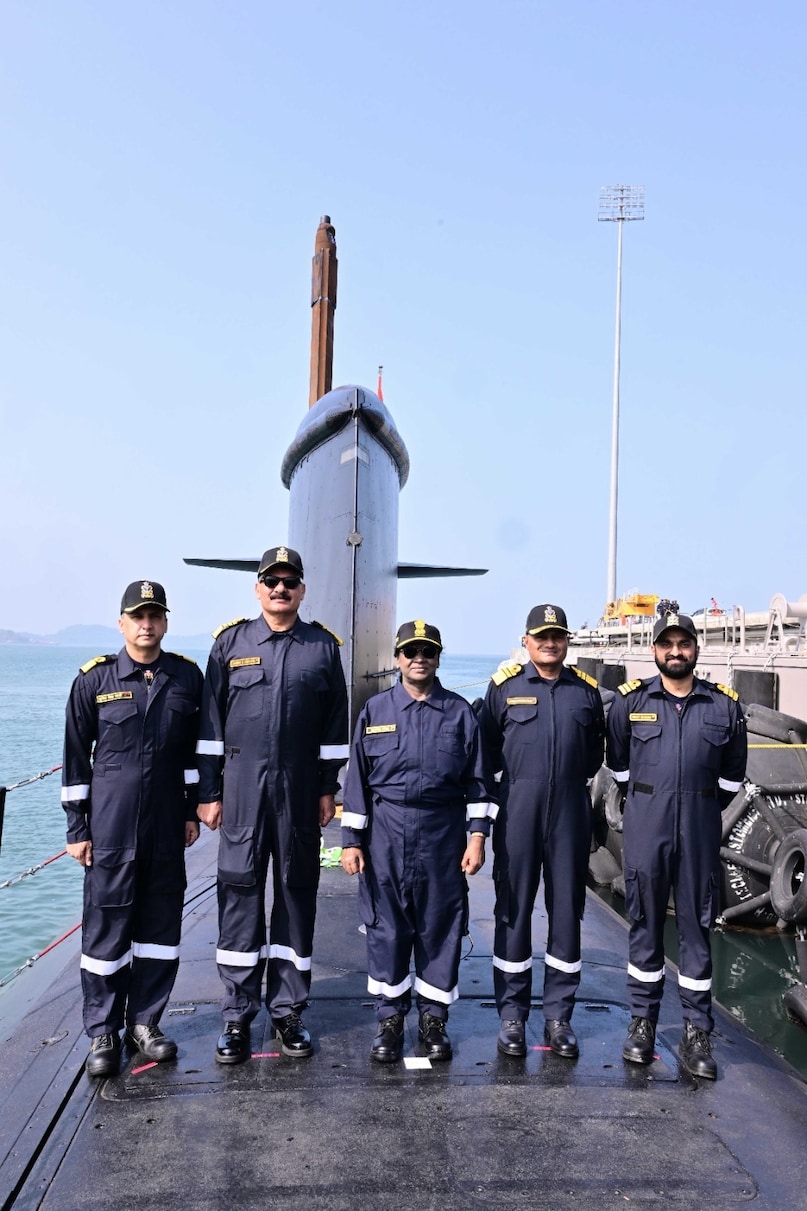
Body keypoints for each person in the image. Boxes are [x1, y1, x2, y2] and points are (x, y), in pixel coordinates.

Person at [196, 546, 349, 1064]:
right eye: (271, 581)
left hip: (300, 789)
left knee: (295, 892)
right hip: (240, 788)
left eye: (289, 581)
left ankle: (287, 1011)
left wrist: (328, 788)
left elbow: (334, 728)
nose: (279, 589)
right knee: (238, 895)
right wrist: (209, 792)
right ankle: (237, 1016)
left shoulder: (322, 648)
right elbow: (210, 727)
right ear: (257, 588)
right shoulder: (229, 644)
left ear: (301, 590)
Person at [61, 580, 203, 1078]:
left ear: (165, 622)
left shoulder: (186, 679)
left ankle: (146, 1023)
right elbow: (76, 761)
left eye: (155, 616)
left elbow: (192, 757)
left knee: (160, 929)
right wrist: (77, 828)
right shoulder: (94, 682)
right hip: (111, 827)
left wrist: (190, 811)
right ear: (121, 623)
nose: (147, 624)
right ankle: (103, 1030)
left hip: (165, 826)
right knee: (106, 930)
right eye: (137, 616)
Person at [340, 620, 495, 1062]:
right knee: (387, 929)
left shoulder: (460, 713)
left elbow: (479, 784)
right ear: (398, 658)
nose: (418, 658)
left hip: (442, 834)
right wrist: (352, 840)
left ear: (438, 656)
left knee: (439, 928)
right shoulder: (375, 712)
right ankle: (389, 1021)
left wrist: (477, 837)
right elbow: (358, 783)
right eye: (410, 651)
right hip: (385, 833)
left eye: (427, 651)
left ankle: (433, 1020)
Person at [606, 612, 747, 1078]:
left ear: (696, 649)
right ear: (654, 650)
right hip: (648, 823)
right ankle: (642, 1024)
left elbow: (730, 778)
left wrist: (695, 802)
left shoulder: (724, 706)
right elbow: (620, 767)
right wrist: (655, 798)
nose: (676, 651)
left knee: (696, 927)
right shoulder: (631, 703)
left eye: (684, 643)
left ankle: (695, 1031)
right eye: (667, 644)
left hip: (701, 825)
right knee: (644, 922)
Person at [479, 604, 605, 1059]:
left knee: (567, 913)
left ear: (567, 641)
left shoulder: (586, 693)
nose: (549, 643)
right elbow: (487, 750)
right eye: (541, 636)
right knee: (512, 911)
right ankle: (512, 1015)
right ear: (527, 641)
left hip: (570, 811)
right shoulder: (504, 688)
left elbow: (593, 755)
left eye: (557, 636)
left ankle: (558, 1017)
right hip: (518, 811)